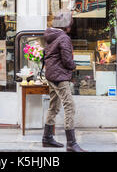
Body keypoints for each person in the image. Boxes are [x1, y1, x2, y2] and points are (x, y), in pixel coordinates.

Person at [41, 10, 86, 152]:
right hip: (60, 77)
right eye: (70, 25)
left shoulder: (50, 36)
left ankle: (47, 138)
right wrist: (74, 66)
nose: (71, 27)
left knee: (53, 106)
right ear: (67, 25)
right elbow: (67, 60)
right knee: (69, 107)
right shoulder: (64, 38)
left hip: (51, 75)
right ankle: (71, 143)